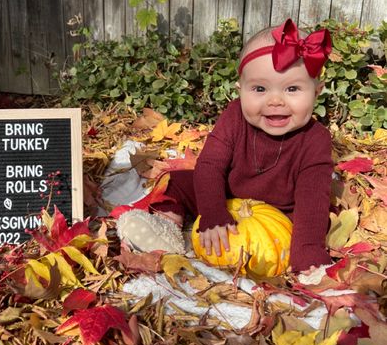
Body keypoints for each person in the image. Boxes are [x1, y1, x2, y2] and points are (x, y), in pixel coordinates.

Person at [117, 18, 333, 273]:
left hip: (278, 214)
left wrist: (308, 255)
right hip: (226, 195)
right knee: (176, 181)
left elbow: (311, 197)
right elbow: (209, 166)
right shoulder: (234, 117)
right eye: (260, 89)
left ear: (316, 92)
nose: (275, 100)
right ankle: (168, 229)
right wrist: (213, 212)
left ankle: (293, 253)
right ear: (240, 90)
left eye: (293, 89)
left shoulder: (315, 139)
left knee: (317, 216)